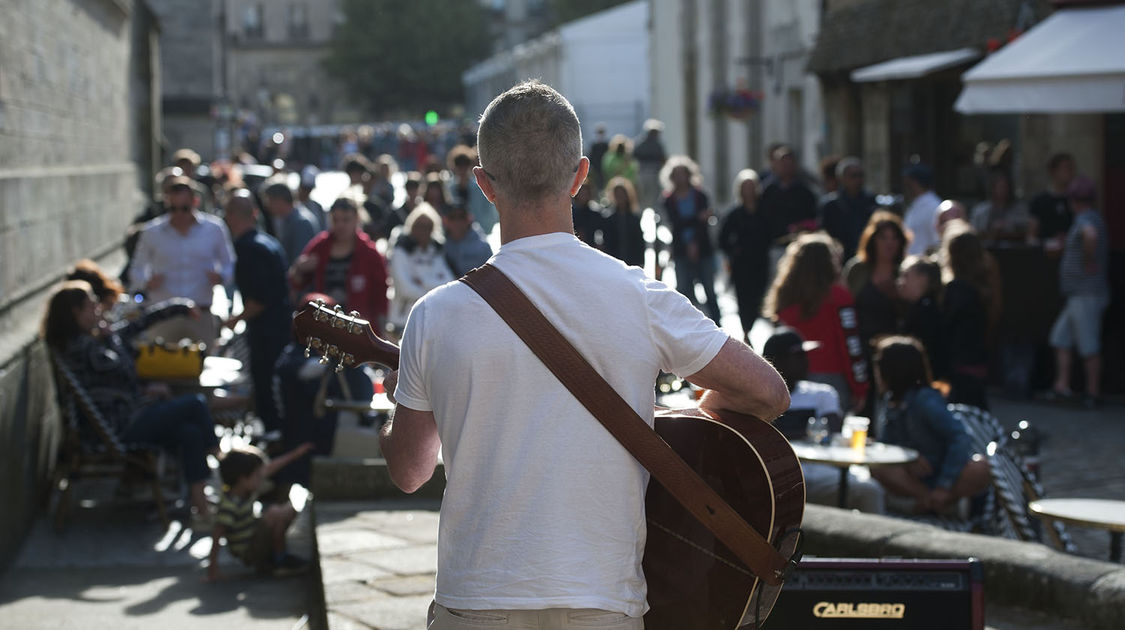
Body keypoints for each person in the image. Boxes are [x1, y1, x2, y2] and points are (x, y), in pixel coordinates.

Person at [378, 80, 789, 628]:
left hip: (476, 597)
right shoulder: (638, 295)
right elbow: (767, 391)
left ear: (484, 185)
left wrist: (396, 413)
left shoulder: (434, 314)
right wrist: (684, 420)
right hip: (602, 598)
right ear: (579, 176)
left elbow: (410, 471)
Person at [43, 281, 219, 526]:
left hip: (125, 416)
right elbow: (126, 369)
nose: (98, 308)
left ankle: (202, 508)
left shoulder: (85, 342)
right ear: (76, 312)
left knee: (189, 432)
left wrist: (175, 308)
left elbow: (131, 332)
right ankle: (224, 465)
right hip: (117, 428)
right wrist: (110, 340)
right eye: (91, 304)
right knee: (195, 404)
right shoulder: (82, 347)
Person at [764, 327, 885, 514]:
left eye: (805, 355)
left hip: (821, 470)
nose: (806, 362)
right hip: (778, 475)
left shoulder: (822, 393)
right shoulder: (758, 396)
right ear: (775, 361)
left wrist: (783, 432)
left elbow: (831, 432)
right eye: (797, 356)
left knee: (870, 490)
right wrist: (808, 432)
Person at [870, 336, 991, 514]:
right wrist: (908, 457)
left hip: (944, 473)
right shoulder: (889, 402)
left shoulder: (925, 400)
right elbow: (886, 446)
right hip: (913, 477)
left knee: (982, 468)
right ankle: (937, 503)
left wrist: (944, 485)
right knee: (877, 466)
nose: (876, 372)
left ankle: (931, 502)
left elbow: (960, 438)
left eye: (879, 366)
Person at [764, 233, 868, 413]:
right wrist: (860, 387)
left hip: (791, 381)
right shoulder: (839, 296)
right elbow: (850, 346)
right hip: (833, 379)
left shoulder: (784, 296)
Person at [129, 176, 234, 347]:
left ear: (195, 202)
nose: (178, 214)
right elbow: (136, 270)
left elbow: (229, 264)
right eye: (173, 208)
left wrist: (221, 277)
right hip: (162, 315)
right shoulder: (151, 231)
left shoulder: (215, 228)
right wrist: (146, 283)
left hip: (201, 313)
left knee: (204, 367)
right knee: (160, 370)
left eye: (184, 208)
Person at [223, 190, 292, 435]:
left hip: (266, 331)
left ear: (230, 216)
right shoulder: (270, 242)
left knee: (266, 384)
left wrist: (233, 320)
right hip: (281, 325)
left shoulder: (247, 249)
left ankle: (274, 433)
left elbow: (259, 300)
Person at [206, 444, 314, 581]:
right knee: (275, 512)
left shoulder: (246, 491)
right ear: (242, 479)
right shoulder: (229, 504)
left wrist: (295, 454)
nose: (260, 478)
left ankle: (277, 557)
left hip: (255, 538)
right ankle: (279, 561)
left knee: (285, 510)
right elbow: (217, 534)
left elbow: (270, 468)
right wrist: (212, 570)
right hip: (249, 552)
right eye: (256, 475)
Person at [1047, 176, 1110, 408]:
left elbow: (1090, 235)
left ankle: (1093, 394)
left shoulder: (1087, 219)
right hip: (1076, 294)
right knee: (1060, 338)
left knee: (1089, 345)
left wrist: (1088, 259)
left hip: (1087, 294)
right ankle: (1062, 386)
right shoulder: (1086, 218)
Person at [290, 196, 390, 327]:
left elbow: (381, 295)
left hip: (357, 329)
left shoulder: (369, 253)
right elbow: (296, 284)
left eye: (346, 220)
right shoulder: (320, 247)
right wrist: (299, 268)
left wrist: (379, 330)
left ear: (357, 219)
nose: (340, 225)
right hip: (324, 326)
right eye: (335, 220)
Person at [940, 220, 998, 409]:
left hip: (959, 365)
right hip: (978, 362)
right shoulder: (984, 288)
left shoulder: (956, 290)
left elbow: (947, 328)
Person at [660, 156, 720, 323]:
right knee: (683, 291)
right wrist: (697, 218)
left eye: (683, 174)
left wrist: (694, 240)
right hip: (680, 249)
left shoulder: (700, 195)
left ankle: (717, 323)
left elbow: (704, 222)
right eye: (676, 174)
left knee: (709, 290)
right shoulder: (668, 199)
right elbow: (675, 223)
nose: (680, 178)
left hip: (703, 248)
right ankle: (685, 325)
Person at [843, 211, 909, 354]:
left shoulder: (906, 271)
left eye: (894, 238)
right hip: (859, 346)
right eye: (883, 238)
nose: (889, 243)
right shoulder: (857, 269)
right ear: (873, 240)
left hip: (895, 349)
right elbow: (844, 306)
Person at [718, 169, 771, 340]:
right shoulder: (735, 213)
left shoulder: (764, 211)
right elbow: (722, 239)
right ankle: (746, 330)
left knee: (759, 295)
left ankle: (750, 324)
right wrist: (733, 252)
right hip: (741, 264)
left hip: (760, 262)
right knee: (743, 297)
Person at [387, 202, 454, 332]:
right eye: (419, 226)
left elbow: (449, 283)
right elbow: (404, 289)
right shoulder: (400, 251)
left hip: (432, 321)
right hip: (403, 321)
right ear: (411, 227)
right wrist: (434, 288)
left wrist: (422, 281)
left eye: (428, 226)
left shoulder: (437, 252)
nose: (423, 231)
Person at [819, 157, 878, 261]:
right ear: (842, 178)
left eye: (861, 175)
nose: (858, 179)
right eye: (853, 176)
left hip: (865, 256)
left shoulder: (870, 201)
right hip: (840, 258)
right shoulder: (830, 204)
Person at [897, 256, 947, 380]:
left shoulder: (926, 312)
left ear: (923, 279)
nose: (900, 282)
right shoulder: (921, 307)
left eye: (906, 276)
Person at [758, 145, 818, 241]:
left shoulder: (804, 190)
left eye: (789, 164)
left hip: (799, 241)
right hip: (774, 242)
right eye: (783, 164)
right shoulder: (767, 190)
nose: (786, 168)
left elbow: (812, 216)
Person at [261, 177, 320, 267]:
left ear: (279, 200)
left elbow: (298, 261)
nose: (266, 206)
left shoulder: (301, 223)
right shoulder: (289, 220)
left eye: (269, 201)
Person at [447, 145, 499, 237]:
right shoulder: (449, 188)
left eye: (465, 164)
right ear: (454, 166)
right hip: (455, 236)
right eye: (459, 164)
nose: (462, 168)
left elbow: (490, 211)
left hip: (478, 235)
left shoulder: (479, 187)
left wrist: (484, 229)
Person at [1028, 152, 1076, 253]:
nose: (1069, 172)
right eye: (1065, 168)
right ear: (1054, 171)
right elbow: (1031, 237)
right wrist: (1048, 244)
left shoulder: (1076, 201)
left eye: (1071, 168)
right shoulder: (1039, 201)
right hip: (1046, 256)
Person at [970, 168, 1031, 243]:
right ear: (992, 188)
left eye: (1005, 187)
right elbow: (975, 230)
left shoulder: (1019, 208)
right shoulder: (981, 210)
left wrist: (1008, 226)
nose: (1003, 190)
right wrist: (993, 229)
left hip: (1014, 246)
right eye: (1000, 187)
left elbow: (1026, 227)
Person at [601, 176, 645, 268]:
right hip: (614, 263)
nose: (620, 197)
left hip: (632, 263)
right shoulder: (609, 218)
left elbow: (640, 244)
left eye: (622, 194)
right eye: (617, 194)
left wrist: (641, 263)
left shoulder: (634, 219)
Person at [442, 203, 494, 277]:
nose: (457, 222)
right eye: (452, 217)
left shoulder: (483, 247)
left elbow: (492, 275)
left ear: (469, 219)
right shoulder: (439, 246)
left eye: (461, 217)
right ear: (445, 221)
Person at [902, 163, 942, 256]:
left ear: (915, 183)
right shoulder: (915, 204)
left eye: (907, 183)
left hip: (925, 267)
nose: (905, 187)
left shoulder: (934, 207)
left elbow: (937, 242)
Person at [632, 119, 667, 211]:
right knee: (652, 197)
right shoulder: (656, 145)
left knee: (646, 197)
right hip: (650, 174)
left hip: (644, 174)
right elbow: (663, 159)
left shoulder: (639, 143)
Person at [570, 180, 604, 247]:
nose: (584, 196)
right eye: (582, 193)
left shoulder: (595, 214)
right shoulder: (570, 213)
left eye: (587, 193)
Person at [298, 166, 326, 230]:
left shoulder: (317, 207)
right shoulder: (291, 206)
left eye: (309, 189)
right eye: (304, 188)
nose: (306, 192)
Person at [588, 123, 610, 191]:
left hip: (605, 169)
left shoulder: (607, 145)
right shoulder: (594, 145)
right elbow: (591, 158)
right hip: (596, 170)